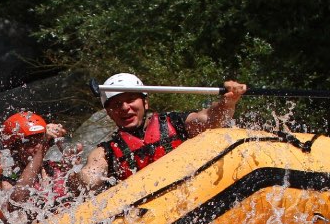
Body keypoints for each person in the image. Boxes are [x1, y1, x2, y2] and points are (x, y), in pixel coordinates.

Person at [78, 73, 248, 190]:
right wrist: (82, 178)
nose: (124, 108)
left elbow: (210, 120)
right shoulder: (105, 152)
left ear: (145, 103)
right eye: (116, 105)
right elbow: (91, 173)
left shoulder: (175, 122)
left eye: (130, 99)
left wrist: (228, 102)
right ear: (109, 113)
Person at [0, 111, 83, 224]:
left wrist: (72, 163)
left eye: (39, 140)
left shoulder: (57, 168)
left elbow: (82, 191)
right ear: (14, 150)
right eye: (29, 143)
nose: (37, 147)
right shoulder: (6, 183)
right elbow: (19, 199)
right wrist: (43, 146)